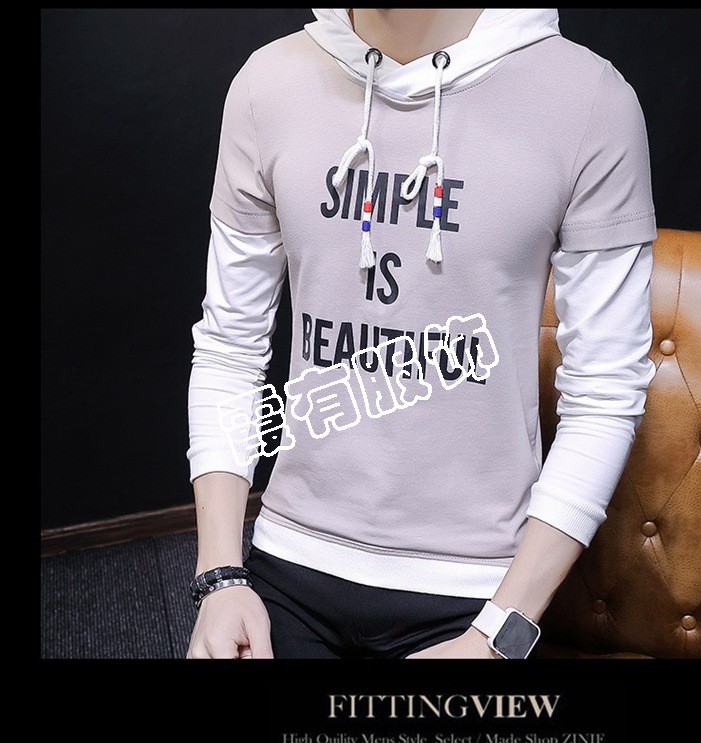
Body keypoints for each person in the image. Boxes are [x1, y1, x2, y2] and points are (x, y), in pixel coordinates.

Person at [186, 8, 657, 659]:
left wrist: (499, 634)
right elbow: (229, 349)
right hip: (287, 564)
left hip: (477, 591)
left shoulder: (589, 101)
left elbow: (605, 392)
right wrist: (220, 578)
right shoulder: (267, 85)